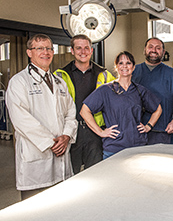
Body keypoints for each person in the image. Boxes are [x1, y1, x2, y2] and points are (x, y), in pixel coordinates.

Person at [5, 34, 78, 200]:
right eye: (40, 48)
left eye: (49, 48)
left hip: (61, 155)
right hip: (36, 156)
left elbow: (71, 112)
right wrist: (50, 142)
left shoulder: (60, 82)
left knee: (61, 206)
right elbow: (21, 120)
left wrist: (66, 135)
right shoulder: (19, 82)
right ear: (29, 53)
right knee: (35, 209)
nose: (46, 52)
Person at [80, 51, 162, 159]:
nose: (124, 66)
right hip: (114, 148)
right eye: (121, 63)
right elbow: (84, 111)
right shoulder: (106, 90)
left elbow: (158, 109)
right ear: (116, 67)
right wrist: (101, 132)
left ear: (133, 67)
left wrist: (148, 126)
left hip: (137, 147)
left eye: (128, 63)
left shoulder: (139, 90)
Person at [55, 34, 115, 174]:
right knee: (70, 175)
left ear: (92, 50)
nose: (83, 52)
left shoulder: (105, 75)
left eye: (86, 48)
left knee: (95, 174)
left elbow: (117, 101)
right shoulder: (59, 76)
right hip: (71, 131)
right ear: (72, 51)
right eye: (79, 48)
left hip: (95, 132)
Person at [132, 37, 173, 144]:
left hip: (163, 130)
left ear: (163, 52)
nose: (154, 50)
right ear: (144, 50)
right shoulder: (133, 72)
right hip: (136, 129)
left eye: (158, 48)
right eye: (150, 47)